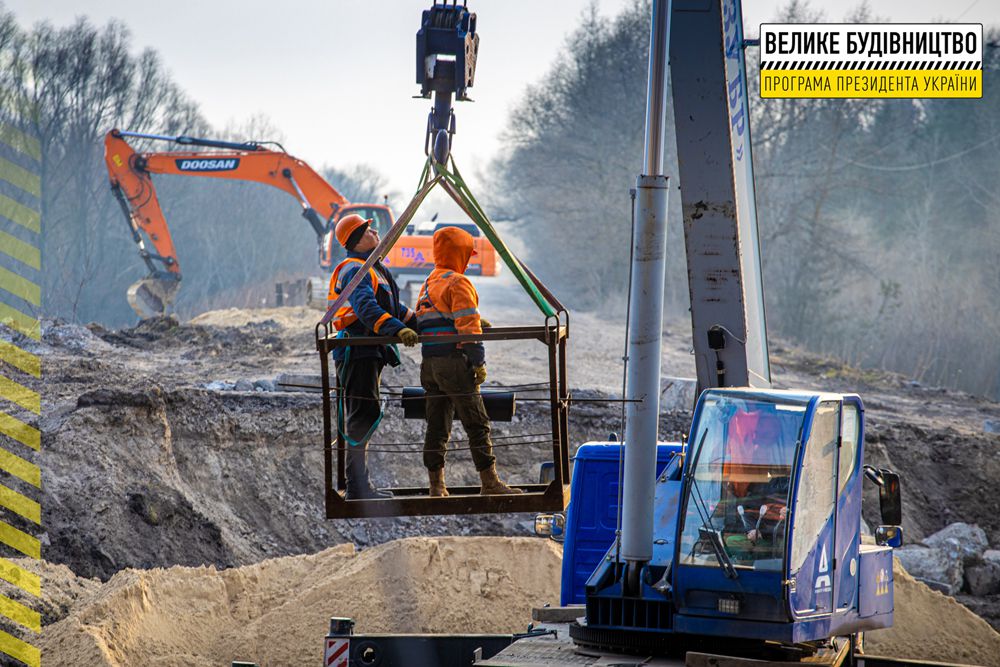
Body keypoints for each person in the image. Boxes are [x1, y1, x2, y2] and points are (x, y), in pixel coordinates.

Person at [415, 226, 522, 497]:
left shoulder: (429, 282)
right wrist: (478, 362)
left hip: (430, 365)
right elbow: (468, 328)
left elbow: (435, 320)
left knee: (437, 425)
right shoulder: (458, 282)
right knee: (477, 422)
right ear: (459, 253)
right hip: (454, 363)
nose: (470, 259)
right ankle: (490, 483)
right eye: (467, 253)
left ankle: (436, 487)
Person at [327, 213, 419, 499]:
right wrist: (398, 330)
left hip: (368, 351)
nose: (376, 232)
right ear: (356, 239)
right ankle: (357, 487)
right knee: (361, 415)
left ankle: (358, 485)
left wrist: (440, 323)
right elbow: (367, 310)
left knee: (365, 413)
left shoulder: (375, 269)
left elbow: (399, 310)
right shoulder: (355, 270)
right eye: (369, 230)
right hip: (356, 350)